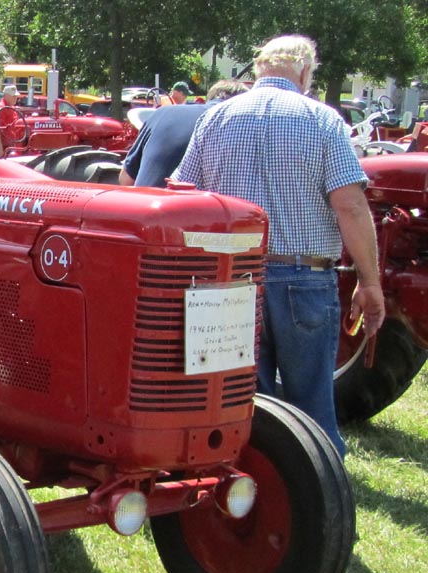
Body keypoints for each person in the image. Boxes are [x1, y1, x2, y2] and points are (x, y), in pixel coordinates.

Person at [171, 34, 385, 456]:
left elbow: (183, 193)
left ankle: (250, 480)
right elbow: (351, 207)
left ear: (260, 67)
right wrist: (370, 280)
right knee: (311, 407)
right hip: (303, 278)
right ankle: (320, 491)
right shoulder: (323, 120)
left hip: (229, 279)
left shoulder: (216, 117)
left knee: (239, 398)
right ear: (305, 72)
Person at [119, 80, 248, 188]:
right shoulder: (235, 124)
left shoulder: (161, 113)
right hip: (187, 213)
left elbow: (125, 179)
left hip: (142, 210)